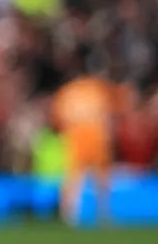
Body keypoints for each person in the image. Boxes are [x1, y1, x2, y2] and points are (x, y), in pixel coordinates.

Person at [52, 73, 129, 225]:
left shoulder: (77, 90)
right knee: (77, 177)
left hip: (87, 136)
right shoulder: (93, 88)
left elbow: (111, 112)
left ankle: (90, 213)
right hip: (83, 136)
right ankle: (74, 214)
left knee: (94, 177)